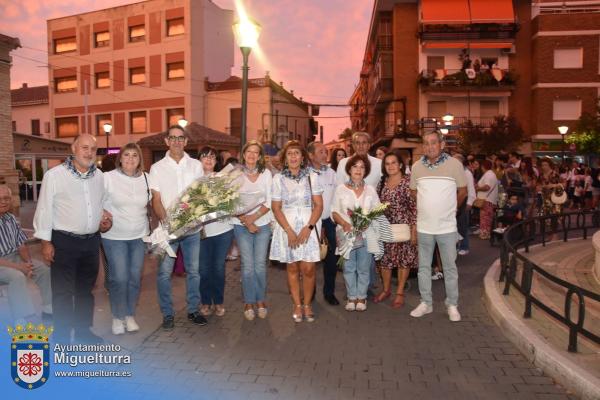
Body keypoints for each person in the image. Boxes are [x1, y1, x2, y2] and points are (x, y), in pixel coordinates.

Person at [34, 134, 112, 343]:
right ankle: (61, 337)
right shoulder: (55, 175)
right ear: (73, 148)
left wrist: (104, 219)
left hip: (91, 242)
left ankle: (82, 332)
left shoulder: (99, 177)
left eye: (93, 149)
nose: (89, 152)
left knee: (86, 291)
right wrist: (45, 242)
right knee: (62, 293)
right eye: (84, 147)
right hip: (63, 242)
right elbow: (44, 209)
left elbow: (102, 204)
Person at [149, 125, 206, 330]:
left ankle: (193, 310)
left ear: (186, 141)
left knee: (194, 272)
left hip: (192, 229)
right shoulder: (157, 168)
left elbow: (200, 196)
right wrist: (168, 222)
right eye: (172, 138)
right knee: (164, 274)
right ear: (166, 141)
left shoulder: (196, 166)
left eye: (180, 138)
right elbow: (156, 200)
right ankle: (167, 314)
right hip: (168, 230)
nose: (176, 141)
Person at [409, 131, 467, 322]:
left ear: (442, 144)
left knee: (450, 268)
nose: (430, 146)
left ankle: (452, 304)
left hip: (447, 228)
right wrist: (426, 208)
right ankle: (426, 303)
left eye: (433, 142)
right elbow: (413, 192)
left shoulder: (454, 165)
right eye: (426, 143)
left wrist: (451, 209)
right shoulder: (416, 167)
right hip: (424, 227)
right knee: (423, 268)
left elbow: (463, 191)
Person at [271, 141, 323, 322]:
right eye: (290, 153)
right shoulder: (278, 179)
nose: (293, 156)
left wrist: (308, 228)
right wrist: (289, 231)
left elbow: (318, 205)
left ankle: (307, 304)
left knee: (308, 269)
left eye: (296, 153)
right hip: (287, 227)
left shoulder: (313, 176)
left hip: (308, 226)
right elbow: (276, 208)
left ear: (302, 158)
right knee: (292, 267)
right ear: (285, 159)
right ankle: (297, 305)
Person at [101, 143, 150, 335]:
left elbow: (156, 201)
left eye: (135, 156)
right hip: (114, 237)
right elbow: (95, 201)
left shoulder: (146, 178)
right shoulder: (107, 178)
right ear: (120, 158)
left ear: (140, 160)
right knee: (119, 278)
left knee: (134, 279)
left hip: (139, 236)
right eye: (127, 155)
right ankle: (117, 316)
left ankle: (129, 315)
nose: (130, 159)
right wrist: (102, 213)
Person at [331, 154, 380, 312]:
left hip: (365, 235)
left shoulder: (370, 189)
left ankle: (362, 297)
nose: (358, 169)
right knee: (349, 268)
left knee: (364, 268)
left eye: (362, 167)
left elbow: (377, 210)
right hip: (346, 235)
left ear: (365, 171)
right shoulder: (340, 189)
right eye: (355, 166)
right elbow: (334, 212)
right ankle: (352, 297)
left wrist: (368, 222)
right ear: (349, 169)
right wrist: (344, 223)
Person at [0, 185, 52, 324]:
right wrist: (19, 268)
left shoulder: (11, 218)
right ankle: (21, 317)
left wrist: (28, 263)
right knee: (16, 276)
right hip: (2, 263)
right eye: (0, 199)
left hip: (14, 256)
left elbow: (21, 245)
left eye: (6, 198)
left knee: (43, 269)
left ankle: (48, 309)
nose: (3, 202)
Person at [233, 140, 273, 321]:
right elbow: (231, 202)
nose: (251, 155)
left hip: (262, 225)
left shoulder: (266, 174)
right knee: (247, 267)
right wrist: (246, 221)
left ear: (260, 156)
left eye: (255, 152)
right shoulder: (235, 175)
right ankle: (249, 301)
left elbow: (270, 201)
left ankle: (261, 300)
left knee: (259, 266)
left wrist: (253, 219)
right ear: (243, 155)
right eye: (249, 152)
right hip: (241, 227)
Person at [374, 150, 417, 308]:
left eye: (393, 162)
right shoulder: (382, 182)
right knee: (385, 261)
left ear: (400, 165)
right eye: (387, 163)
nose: (390, 166)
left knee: (403, 261)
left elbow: (414, 208)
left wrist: (414, 231)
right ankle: (386, 290)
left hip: (404, 227)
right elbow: (377, 205)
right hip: (385, 227)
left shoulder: (408, 182)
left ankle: (399, 292)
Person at [198, 146, 234, 318]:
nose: (209, 159)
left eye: (212, 157)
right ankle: (205, 301)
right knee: (204, 269)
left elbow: (231, 204)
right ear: (199, 160)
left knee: (218, 268)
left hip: (223, 230)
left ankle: (218, 301)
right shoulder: (193, 181)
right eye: (205, 157)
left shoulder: (224, 179)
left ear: (216, 161)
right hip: (202, 232)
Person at [307, 141, 339, 306]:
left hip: (328, 221)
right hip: (311, 221)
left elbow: (337, 196)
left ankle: (329, 293)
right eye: (320, 152)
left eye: (326, 152)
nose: (325, 155)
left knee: (331, 260)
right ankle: (309, 294)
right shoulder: (304, 174)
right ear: (311, 155)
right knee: (310, 260)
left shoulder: (332, 173)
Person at [454, 154, 475, 256]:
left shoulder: (467, 173)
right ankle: (457, 246)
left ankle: (464, 246)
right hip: (456, 202)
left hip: (464, 202)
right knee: (456, 225)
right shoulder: (455, 172)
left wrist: (469, 202)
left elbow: (471, 189)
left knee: (463, 226)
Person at [475, 160, 499, 240]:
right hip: (489, 199)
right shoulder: (491, 174)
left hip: (487, 199)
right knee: (486, 217)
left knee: (485, 217)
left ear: (483, 167)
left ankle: (485, 234)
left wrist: (477, 188)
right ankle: (485, 233)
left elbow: (487, 187)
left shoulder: (488, 174)